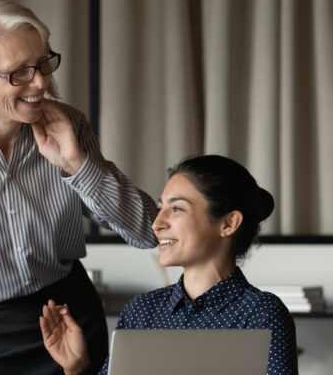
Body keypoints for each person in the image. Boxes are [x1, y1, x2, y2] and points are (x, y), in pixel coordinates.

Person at [0, 0, 158, 374]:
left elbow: (148, 231)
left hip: (69, 319)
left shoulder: (68, 124)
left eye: (42, 63)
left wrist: (78, 164)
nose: (40, 82)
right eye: (18, 73)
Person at [41, 155, 299, 375]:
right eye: (160, 207)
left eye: (177, 209)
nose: (157, 223)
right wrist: (75, 368)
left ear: (228, 223)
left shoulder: (261, 313)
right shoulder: (141, 312)